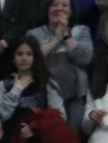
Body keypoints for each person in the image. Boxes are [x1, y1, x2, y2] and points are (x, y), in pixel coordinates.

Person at [24, 0, 92, 132]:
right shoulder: (34, 34)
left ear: (71, 11)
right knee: (53, 134)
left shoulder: (81, 31)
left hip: (76, 95)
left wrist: (66, 35)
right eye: (54, 5)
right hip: (46, 95)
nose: (59, 9)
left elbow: (85, 59)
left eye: (64, 5)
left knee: (71, 136)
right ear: (47, 9)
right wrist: (56, 38)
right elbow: (33, 59)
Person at [0, 37, 55, 137]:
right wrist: (17, 88)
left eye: (29, 54)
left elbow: (58, 116)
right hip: (9, 139)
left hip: (39, 139)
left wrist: (35, 127)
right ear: (13, 58)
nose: (24, 58)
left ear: (35, 58)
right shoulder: (3, 85)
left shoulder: (46, 84)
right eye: (19, 54)